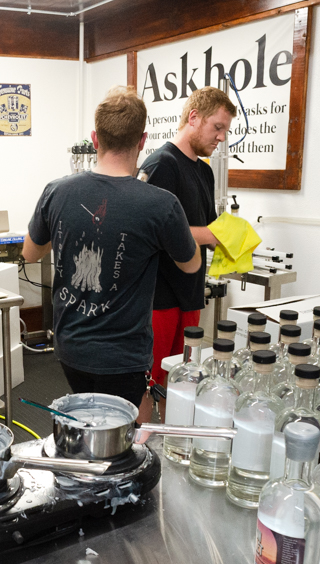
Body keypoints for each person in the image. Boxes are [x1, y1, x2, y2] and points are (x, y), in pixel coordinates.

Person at [22, 86, 201, 411]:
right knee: (128, 431)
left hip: (70, 348)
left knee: (86, 419)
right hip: (124, 356)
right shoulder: (161, 205)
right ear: (142, 140)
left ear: (95, 138)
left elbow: (30, 254)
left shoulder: (56, 191)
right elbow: (190, 264)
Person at [138, 86, 236, 390]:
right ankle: (143, 437)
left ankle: (174, 437)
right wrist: (208, 234)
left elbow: (207, 229)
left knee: (183, 380)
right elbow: (146, 229)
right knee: (151, 380)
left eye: (225, 131)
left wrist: (233, 239)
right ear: (194, 117)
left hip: (191, 293)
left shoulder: (205, 173)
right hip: (159, 297)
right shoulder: (161, 165)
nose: (221, 137)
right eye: (217, 127)